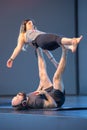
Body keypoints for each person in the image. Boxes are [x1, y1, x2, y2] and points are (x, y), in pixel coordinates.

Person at [6, 19, 83, 68]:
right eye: (29, 23)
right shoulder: (23, 35)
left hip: (47, 46)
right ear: (24, 26)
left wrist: (55, 63)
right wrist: (11, 59)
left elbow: (45, 50)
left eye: (32, 23)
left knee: (59, 40)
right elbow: (18, 48)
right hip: (40, 40)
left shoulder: (37, 32)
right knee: (56, 37)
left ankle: (70, 47)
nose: (32, 24)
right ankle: (72, 41)